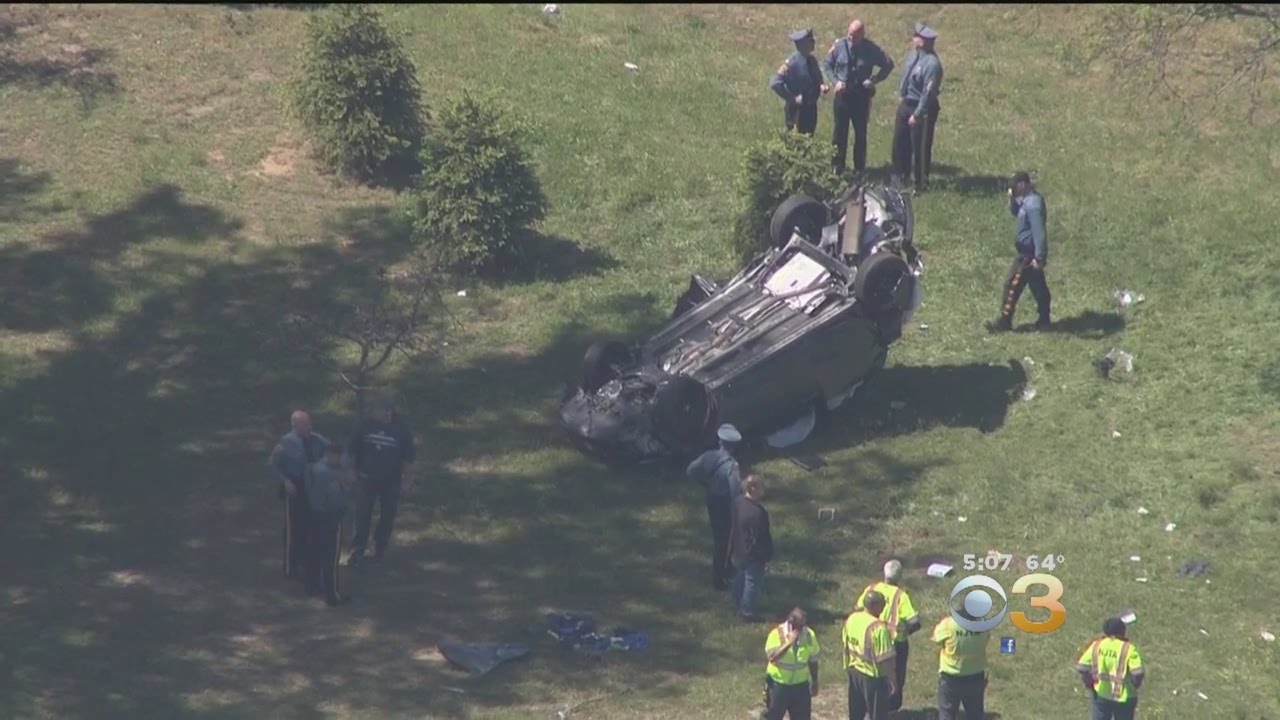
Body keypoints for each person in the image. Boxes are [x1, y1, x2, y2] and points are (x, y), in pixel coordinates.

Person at [347, 395, 416, 567]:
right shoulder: (364, 425)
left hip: (391, 481)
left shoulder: (401, 429)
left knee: (388, 516)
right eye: (376, 410)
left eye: (380, 410)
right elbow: (352, 450)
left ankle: (380, 548)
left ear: (389, 412)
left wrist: (407, 480)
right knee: (362, 515)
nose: (376, 413)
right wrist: (350, 471)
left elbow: (408, 458)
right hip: (365, 478)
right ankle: (357, 550)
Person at [822, 19, 895, 175]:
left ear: (862, 35)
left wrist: (874, 80)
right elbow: (827, 65)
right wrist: (835, 82)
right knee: (839, 133)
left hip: (861, 97)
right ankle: (837, 167)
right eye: (849, 36)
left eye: (854, 37)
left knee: (860, 134)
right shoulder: (839, 46)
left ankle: (859, 169)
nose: (851, 40)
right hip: (843, 96)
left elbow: (888, 64)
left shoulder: (870, 49)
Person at [267, 410, 329, 581]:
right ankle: (290, 565)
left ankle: (306, 561)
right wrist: (285, 481)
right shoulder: (286, 443)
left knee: (311, 527)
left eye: (309, 422)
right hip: (295, 488)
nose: (308, 426)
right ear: (295, 426)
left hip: (313, 488)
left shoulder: (318, 440)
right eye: (304, 424)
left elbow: (333, 452)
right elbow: (272, 464)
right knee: (293, 529)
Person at [853, 560, 922, 711]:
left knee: (870, 674)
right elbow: (914, 621)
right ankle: (891, 710)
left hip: (869, 638)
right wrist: (906, 631)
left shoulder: (871, 589)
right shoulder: (900, 595)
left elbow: (858, 608)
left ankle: (868, 707)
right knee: (894, 679)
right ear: (899, 576)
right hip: (894, 642)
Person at [986, 171, 1051, 332]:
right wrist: (1011, 199)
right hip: (1029, 253)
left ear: (1022, 184)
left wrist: (1039, 256)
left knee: (1012, 285)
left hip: (1028, 255)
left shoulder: (1033, 205)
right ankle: (1044, 319)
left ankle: (1005, 321)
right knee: (1038, 288)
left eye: (1014, 186)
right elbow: (1016, 212)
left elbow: (1039, 231)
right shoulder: (1026, 202)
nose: (1013, 189)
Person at [686, 424, 743, 590]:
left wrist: (705, 483)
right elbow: (734, 491)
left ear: (720, 441)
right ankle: (719, 577)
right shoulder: (732, 466)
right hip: (725, 504)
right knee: (724, 541)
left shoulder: (708, 456)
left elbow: (690, 470)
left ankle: (727, 566)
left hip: (711, 499)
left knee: (719, 536)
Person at [891, 23, 943, 192]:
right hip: (906, 103)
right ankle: (900, 178)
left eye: (916, 36)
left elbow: (927, 93)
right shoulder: (914, 55)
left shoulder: (932, 64)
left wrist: (918, 114)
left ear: (924, 41)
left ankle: (920, 184)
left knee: (919, 147)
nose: (913, 39)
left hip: (922, 109)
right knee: (900, 143)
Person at [306, 442, 352, 606]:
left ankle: (311, 586)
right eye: (339, 456)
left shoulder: (316, 468)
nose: (340, 460)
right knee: (331, 557)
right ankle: (331, 595)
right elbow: (333, 498)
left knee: (314, 551)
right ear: (332, 454)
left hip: (314, 515)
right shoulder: (326, 473)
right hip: (330, 517)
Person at [1076, 617, 1145, 720]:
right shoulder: (1128, 648)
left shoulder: (1097, 645)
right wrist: (1136, 684)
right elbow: (1137, 672)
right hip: (1125, 696)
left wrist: (1088, 681)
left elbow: (1082, 667)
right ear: (1123, 631)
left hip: (1101, 693)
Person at [843, 590, 896, 720]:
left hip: (854, 672)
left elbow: (845, 644)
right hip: (873, 677)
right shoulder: (878, 628)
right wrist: (893, 681)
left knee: (856, 713)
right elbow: (885, 659)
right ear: (875, 606)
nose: (883, 610)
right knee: (877, 714)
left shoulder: (852, 618)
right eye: (882, 607)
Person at [932, 608, 991, 720]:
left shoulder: (949, 624)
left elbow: (936, 638)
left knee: (947, 713)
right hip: (975, 676)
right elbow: (987, 637)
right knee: (975, 714)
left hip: (951, 677)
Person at [763, 607, 821, 720]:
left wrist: (815, 681)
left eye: (802, 626)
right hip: (778, 685)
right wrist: (788, 643)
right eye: (797, 626)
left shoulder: (809, 635)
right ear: (790, 623)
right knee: (773, 717)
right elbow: (772, 657)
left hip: (800, 686)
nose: (800, 630)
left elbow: (813, 660)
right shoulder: (776, 634)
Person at [729, 474, 773, 622]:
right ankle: (747, 613)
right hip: (753, 554)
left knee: (740, 575)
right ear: (753, 489)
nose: (763, 490)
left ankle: (735, 600)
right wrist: (766, 557)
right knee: (752, 582)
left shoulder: (737, 502)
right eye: (761, 487)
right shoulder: (758, 513)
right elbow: (762, 538)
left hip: (739, 548)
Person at [770, 29, 827, 135]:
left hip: (811, 108)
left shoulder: (812, 60)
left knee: (808, 139)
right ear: (801, 44)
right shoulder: (792, 63)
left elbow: (817, 76)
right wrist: (792, 98)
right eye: (810, 41)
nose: (813, 43)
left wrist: (822, 85)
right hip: (797, 110)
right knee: (795, 141)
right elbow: (775, 83)